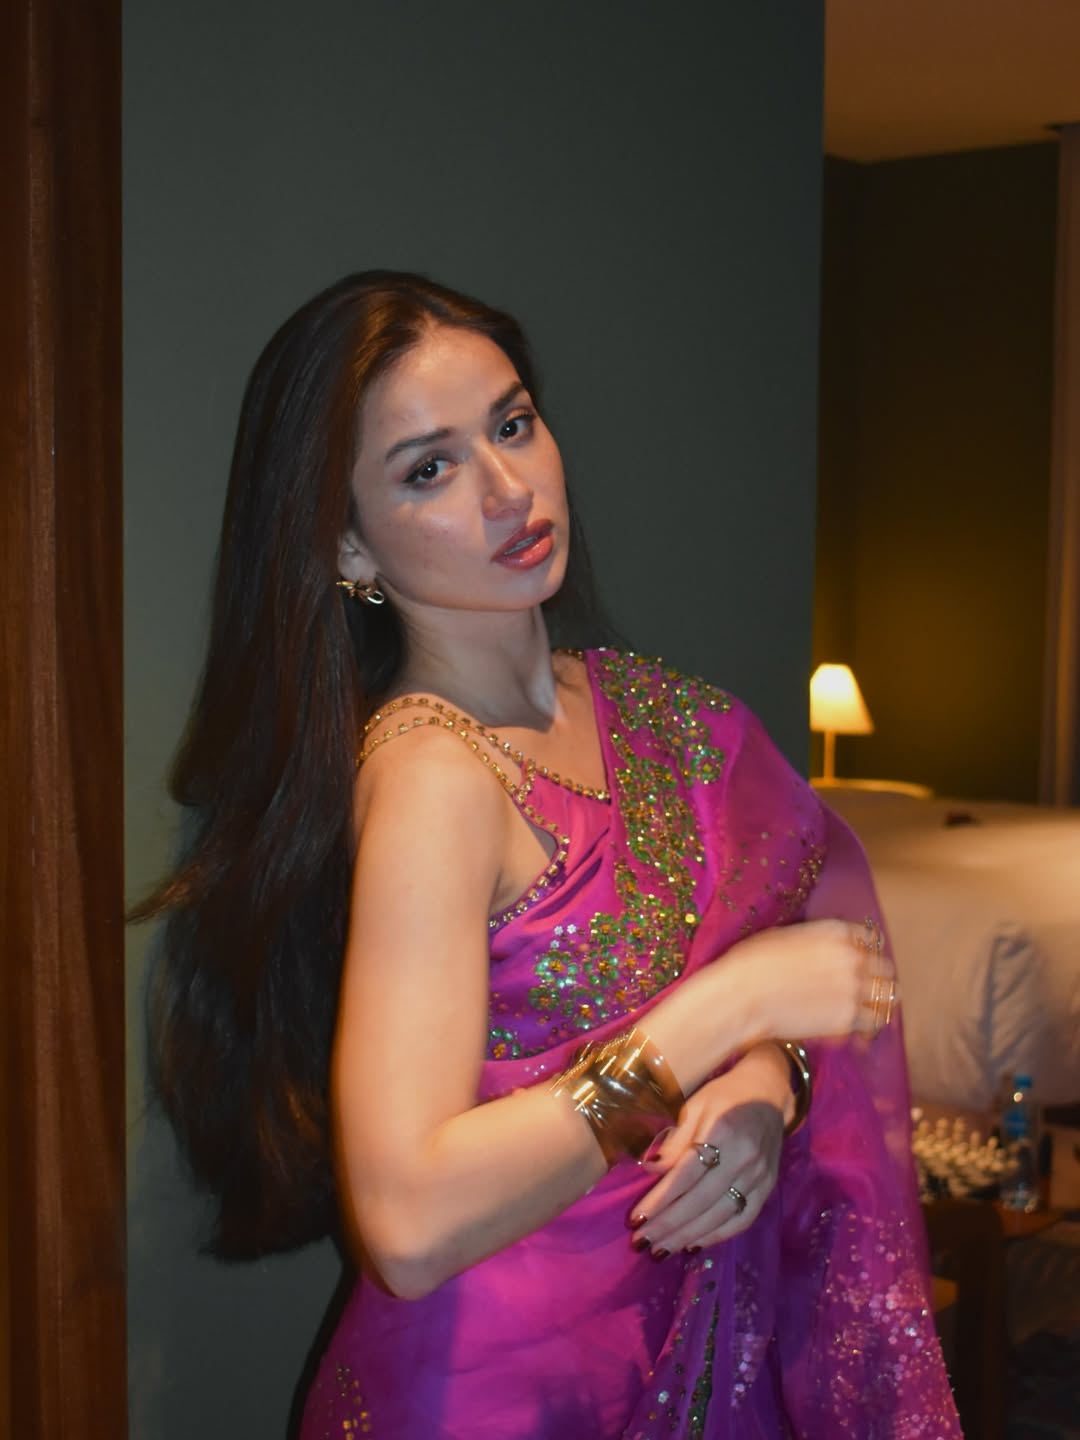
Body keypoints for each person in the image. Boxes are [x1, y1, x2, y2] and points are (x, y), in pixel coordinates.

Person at [140, 271, 961, 1438]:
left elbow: (810, 963)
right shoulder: (434, 776)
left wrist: (763, 1081)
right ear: (347, 545)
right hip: (497, 1396)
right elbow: (408, 1225)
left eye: (513, 424)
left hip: (692, 1362)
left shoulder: (665, 717)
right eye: (429, 469)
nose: (507, 487)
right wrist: (723, 1015)